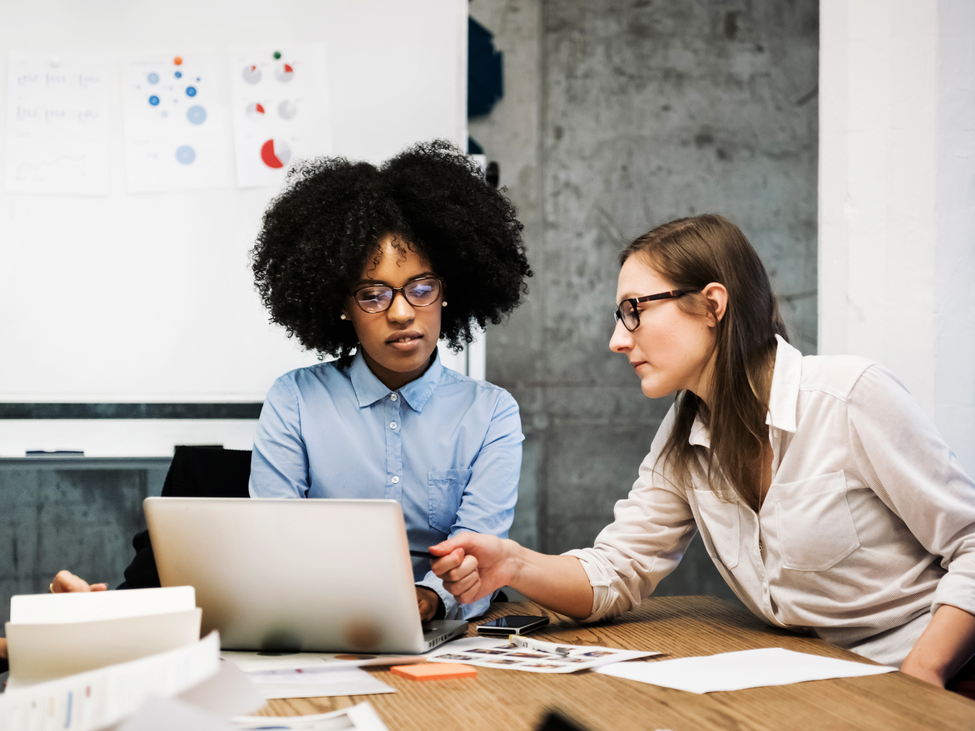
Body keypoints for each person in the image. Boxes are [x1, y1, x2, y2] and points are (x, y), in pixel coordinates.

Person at [429, 214, 975, 687]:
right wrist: (514, 563)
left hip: (928, 676)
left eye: (633, 310)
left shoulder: (849, 396)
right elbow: (618, 571)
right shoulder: (683, 433)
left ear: (712, 304)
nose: (618, 340)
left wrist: (922, 676)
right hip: (814, 677)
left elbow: (971, 545)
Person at [249, 140, 532, 622]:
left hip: (444, 630)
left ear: (448, 293)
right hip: (321, 621)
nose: (402, 313)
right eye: (373, 294)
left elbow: (480, 559)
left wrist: (428, 599)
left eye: (422, 289)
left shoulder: (490, 414)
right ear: (340, 304)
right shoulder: (294, 400)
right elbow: (273, 545)